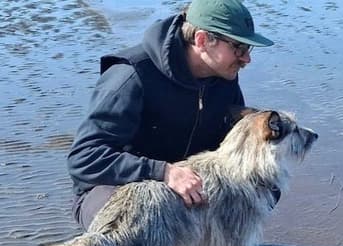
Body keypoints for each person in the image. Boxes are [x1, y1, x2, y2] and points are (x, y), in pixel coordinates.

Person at [67, 0, 274, 230]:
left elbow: (228, 150)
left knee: (266, 186)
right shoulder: (131, 76)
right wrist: (164, 172)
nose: (246, 59)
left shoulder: (223, 79)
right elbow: (84, 158)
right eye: (238, 48)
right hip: (116, 190)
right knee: (140, 218)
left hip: (187, 186)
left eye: (248, 48)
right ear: (202, 40)